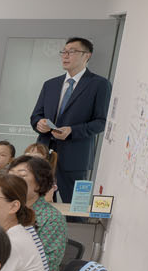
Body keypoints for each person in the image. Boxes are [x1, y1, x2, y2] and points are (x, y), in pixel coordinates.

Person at [30, 37, 110, 200]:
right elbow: (36, 115)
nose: (65, 56)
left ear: (87, 55)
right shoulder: (50, 84)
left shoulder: (99, 84)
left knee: (74, 206)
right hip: (44, 154)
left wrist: (72, 131)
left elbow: (101, 122)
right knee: (39, 203)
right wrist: (39, 123)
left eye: (71, 52)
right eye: (64, 52)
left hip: (75, 158)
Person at [16, 154, 68, 271]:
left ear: (39, 184)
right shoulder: (6, 209)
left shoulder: (52, 219)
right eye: (10, 175)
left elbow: (45, 267)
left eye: (21, 176)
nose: (12, 181)